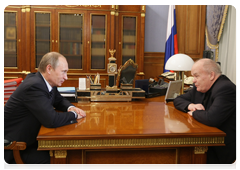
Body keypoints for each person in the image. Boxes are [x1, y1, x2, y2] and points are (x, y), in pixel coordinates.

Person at [4, 52, 86, 169]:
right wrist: (74, 115)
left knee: (68, 156)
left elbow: (58, 99)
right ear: (49, 69)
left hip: (30, 141)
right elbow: (51, 120)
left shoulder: (44, 82)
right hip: (15, 149)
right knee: (60, 162)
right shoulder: (34, 86)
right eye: (63, 72)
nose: (66, 77)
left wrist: (70, 108)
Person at [173, 58, 238, 169]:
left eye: (196, 76)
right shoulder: (201, 87)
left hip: (221, 150)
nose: (193, 80)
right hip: (206, 142)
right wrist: (191, 106)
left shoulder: (225, 88)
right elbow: (178, 100)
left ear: (211, 75)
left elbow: (211, 118)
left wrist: (194, 113)